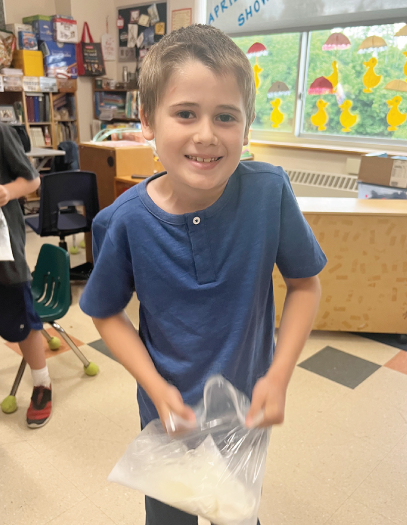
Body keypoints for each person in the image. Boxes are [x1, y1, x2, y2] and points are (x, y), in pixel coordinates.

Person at [79, 25, 326, 524]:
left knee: (237, 514)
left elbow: (305, 284)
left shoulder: (268, 192)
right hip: (168, 416)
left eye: (226, 116)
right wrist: (155, 386)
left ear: (247, 124)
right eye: (186, 113)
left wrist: (278, 376)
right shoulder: (123, 222)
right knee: (170, 517)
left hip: (244, 413)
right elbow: (105, 313)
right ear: (147, 120)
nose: (207, 134)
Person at [0, 123, 53, 429]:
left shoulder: (2, 132)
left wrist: (8, 191)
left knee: (23, 319)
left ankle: (42, 384)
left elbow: (32, 180)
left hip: (5, 251)